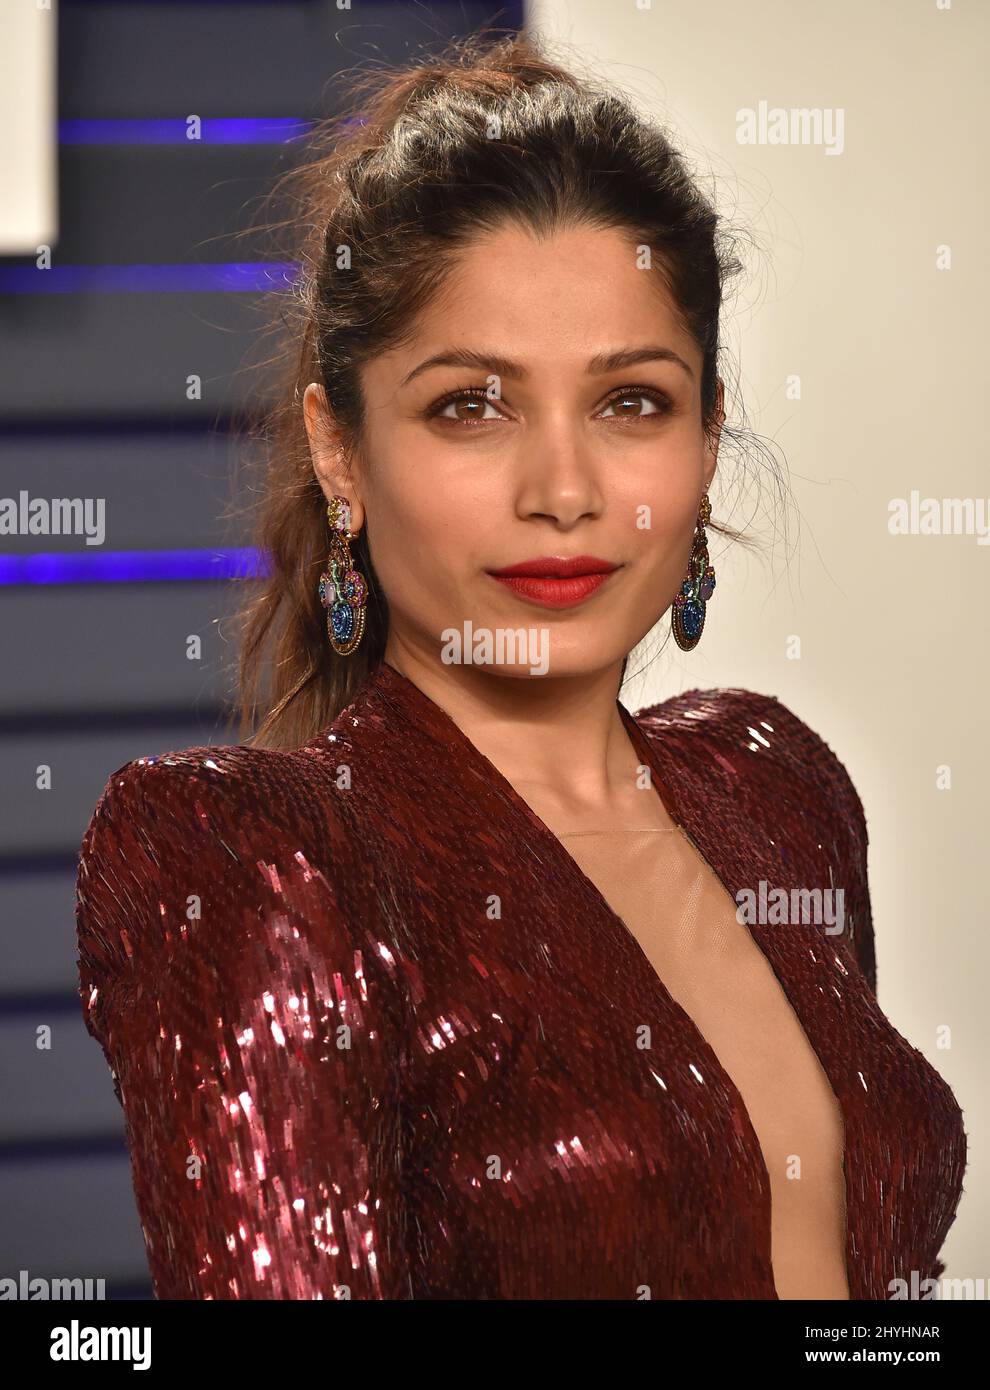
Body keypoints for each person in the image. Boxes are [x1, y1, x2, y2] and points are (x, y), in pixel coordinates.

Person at [74, 31, 966, 1300]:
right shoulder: (256, 860)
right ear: (342, 452)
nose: (564, 491)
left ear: (708, 437)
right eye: (471, 405)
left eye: (631, 402)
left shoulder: (780, 791)